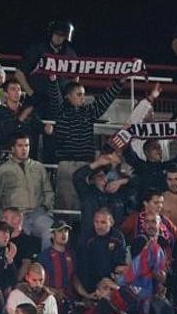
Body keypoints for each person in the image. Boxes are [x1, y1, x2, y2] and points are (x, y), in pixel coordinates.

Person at [47, 73, 125, 212]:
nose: (83, 98)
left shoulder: (89, 111)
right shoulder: (61, 112)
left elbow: (104, 101)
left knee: (86, 206)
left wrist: (119, 83)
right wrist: (53, 81)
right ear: (68, 96)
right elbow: (55, 99)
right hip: (67, 165)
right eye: (79, 94)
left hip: (87, 165)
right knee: (66, 207)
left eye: (83, 94)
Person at [0, 135, 55, 247]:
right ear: (12, 148)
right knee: (16, 234)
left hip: (36, 213)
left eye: (26, 145)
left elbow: (48, 192)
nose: (24, 149)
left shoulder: (39, 168)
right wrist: (3, 217)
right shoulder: (2, 170)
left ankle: (43, 264)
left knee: (50, 230)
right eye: (20, 146)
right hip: (14, 216)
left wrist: (45, 207)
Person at [15, 20, 78, 110]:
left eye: (62, 35)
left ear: (66, 37)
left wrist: (69, 96)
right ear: (51, 33)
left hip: (59, 101)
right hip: (36, 99)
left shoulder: (70, 54)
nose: (58, 37)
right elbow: (19, 73)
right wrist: (32, 94)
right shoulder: (37, 50)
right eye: (56, 33)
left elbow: (75, 77)